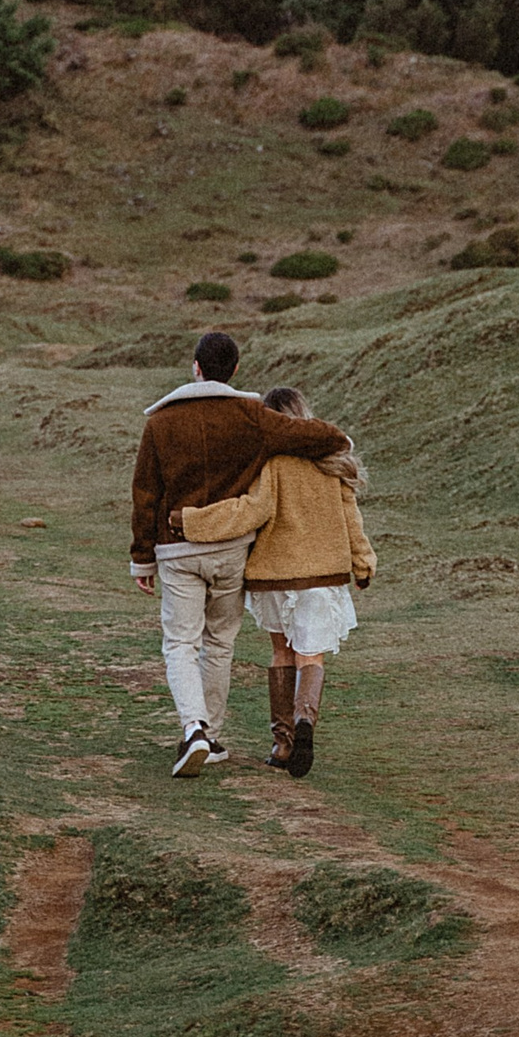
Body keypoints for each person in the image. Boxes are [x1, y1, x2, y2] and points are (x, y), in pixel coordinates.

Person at [129, 330, 351, 777]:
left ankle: (193, 728)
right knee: (219, 643)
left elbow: (145, 496)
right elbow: (315, 436)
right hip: (232, 552)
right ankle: (209, 735)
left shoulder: (158, 424)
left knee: (179, 643)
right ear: (233, 370)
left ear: (195, 367)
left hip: (177, 550)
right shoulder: (251, 415)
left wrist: (143, 557)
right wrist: (338, 442)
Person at [179, 387, 374, 778]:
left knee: (282, 653)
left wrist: (190, 522)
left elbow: (249, 512)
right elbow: (352, 519)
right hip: (321, 575)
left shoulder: (270, 463)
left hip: (272, 576)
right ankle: (305, 723)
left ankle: (282, 744)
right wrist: (363, 563)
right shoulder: (331, 462)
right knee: (310, 656)